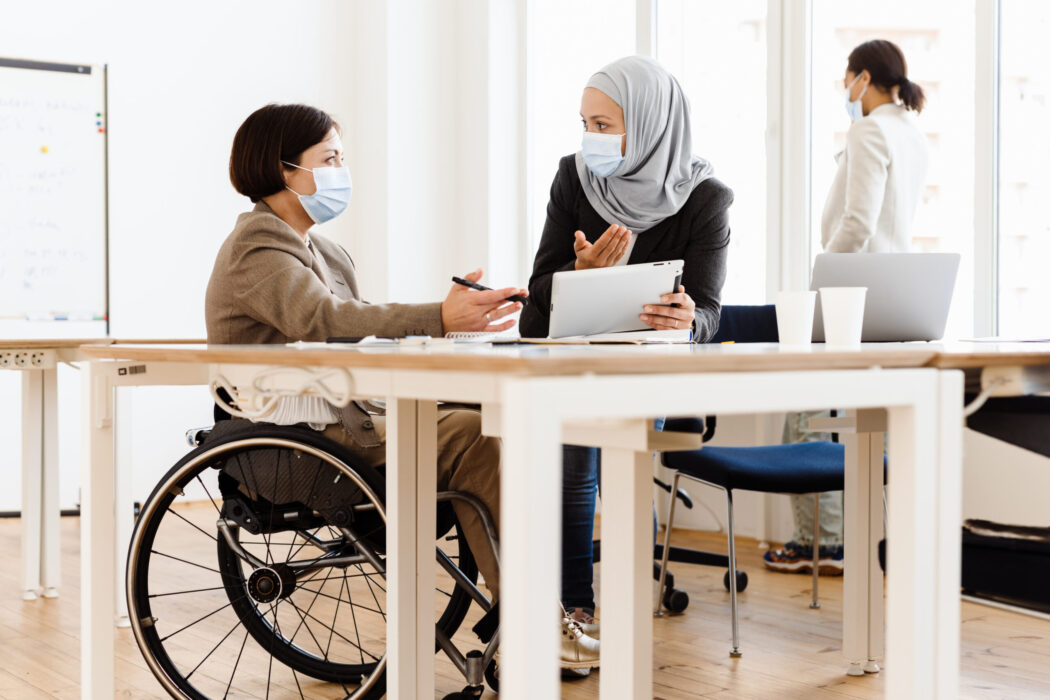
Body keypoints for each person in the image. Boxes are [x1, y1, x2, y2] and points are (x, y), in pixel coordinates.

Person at [205, 103, 527, 611]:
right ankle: (530, 617)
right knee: (469, 434)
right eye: (329, 158)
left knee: (481, 422)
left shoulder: (328, 253)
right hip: (283, 442)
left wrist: (449, 329)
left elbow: (355, 334)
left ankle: (529, 610)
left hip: (337, 423)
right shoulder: (255, 244)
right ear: (282, 169)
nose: (341, 172)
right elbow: (323, 320)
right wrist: (439, 317)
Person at [520, 56, 733, 666]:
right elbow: (538, 287)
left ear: (649, 123)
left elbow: (711, 313)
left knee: (620, 461)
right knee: (572, 464)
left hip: (646, 373)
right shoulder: (574, 177)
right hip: (569, 363)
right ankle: (573, 609)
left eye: (604, 123)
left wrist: (686, 318)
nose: (591, 137)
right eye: (585, 121)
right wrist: (578, 276)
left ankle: (621, 614)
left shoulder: (705, 199)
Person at [764, 39, 929, 574]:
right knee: (835, 412)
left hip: (852, 291)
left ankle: (821, 542)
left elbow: (857, 221)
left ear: (863, 77)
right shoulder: (911, 134)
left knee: (805, 410)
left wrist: (824, 276)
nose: (845, 89)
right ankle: (831, 539)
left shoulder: (870, 129)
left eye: (846, 78)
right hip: (893, 289)